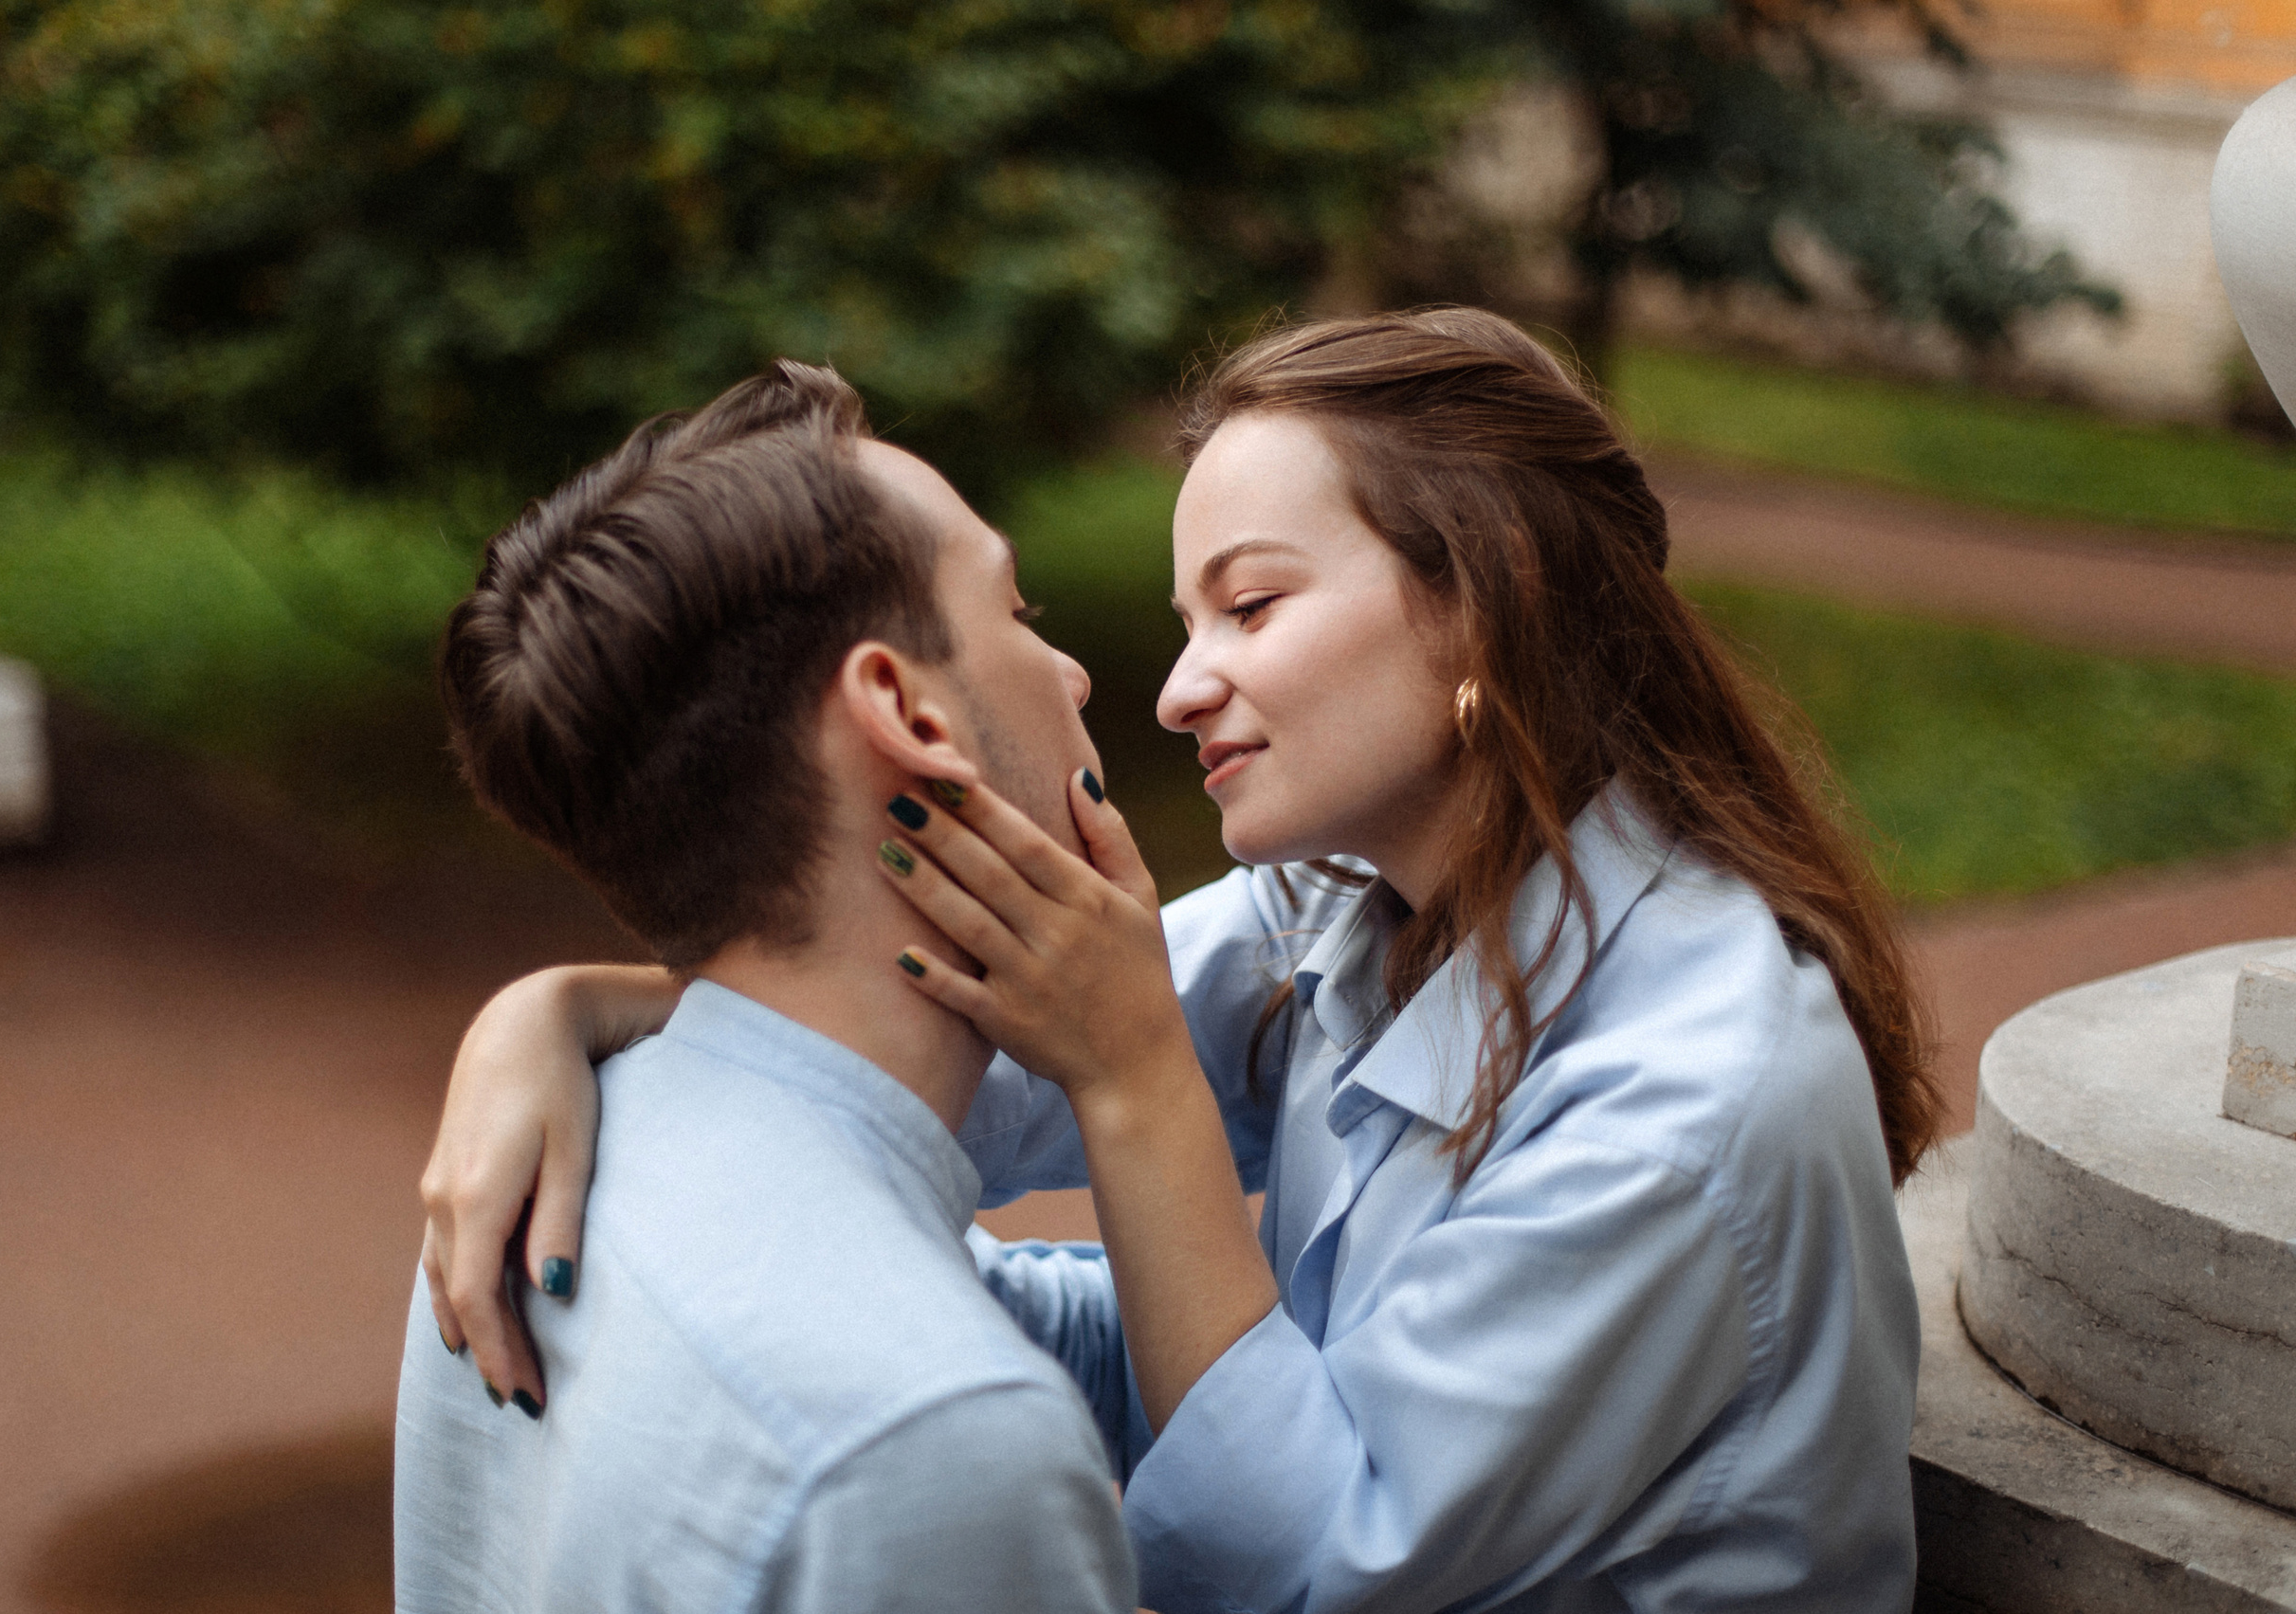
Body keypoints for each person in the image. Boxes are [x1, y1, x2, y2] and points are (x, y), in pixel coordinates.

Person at [420, 309, 1942, 1612]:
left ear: (1483, 604)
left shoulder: (1691, 1097)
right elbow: (951, 1051)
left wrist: (1138, 1067)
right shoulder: (1346, 904)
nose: (1168, 692)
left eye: (1251, 605)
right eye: (1178, 617)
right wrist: (563, 1011)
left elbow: (1309, 1562)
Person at [393, 360, 1140, 1613]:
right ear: (908, 712)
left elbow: (1097, 1339)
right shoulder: (936, 1438)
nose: (1073, 672)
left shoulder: (526, 1183)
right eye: (1022, 609)